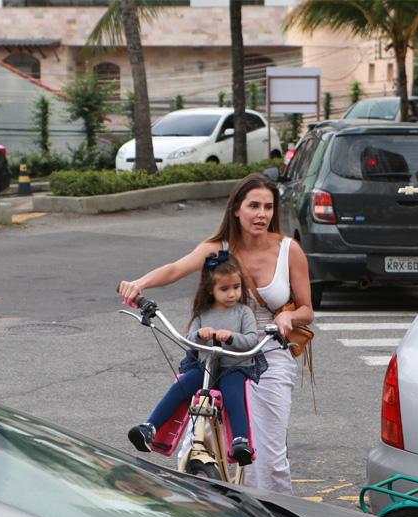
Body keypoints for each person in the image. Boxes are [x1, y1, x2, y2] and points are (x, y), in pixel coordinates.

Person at [119, 173, 314, 494]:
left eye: (268, 207)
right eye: (254, 206)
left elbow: (307, 309)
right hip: (218, 351)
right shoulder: (218, 248)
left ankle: (276, 516)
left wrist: (289, 316)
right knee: (197, 437)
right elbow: (175, 268)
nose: (262, 214)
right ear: (236, 209)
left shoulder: (289, 250)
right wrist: (140, 284)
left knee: (267, 452)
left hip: (269, 347)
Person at [127, 250, 266, 465]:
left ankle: (240, 440)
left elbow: (251, 341)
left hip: (235, 367)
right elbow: (190, 338)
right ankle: (150, 427)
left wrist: (231, 337)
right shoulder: (203, 313)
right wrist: (199, 335)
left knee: (233, 394)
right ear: (211, 290)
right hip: (206, 366)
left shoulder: (243, 312)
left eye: (236, 287)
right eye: (225, 289)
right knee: (181, 387)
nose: (232, 294)